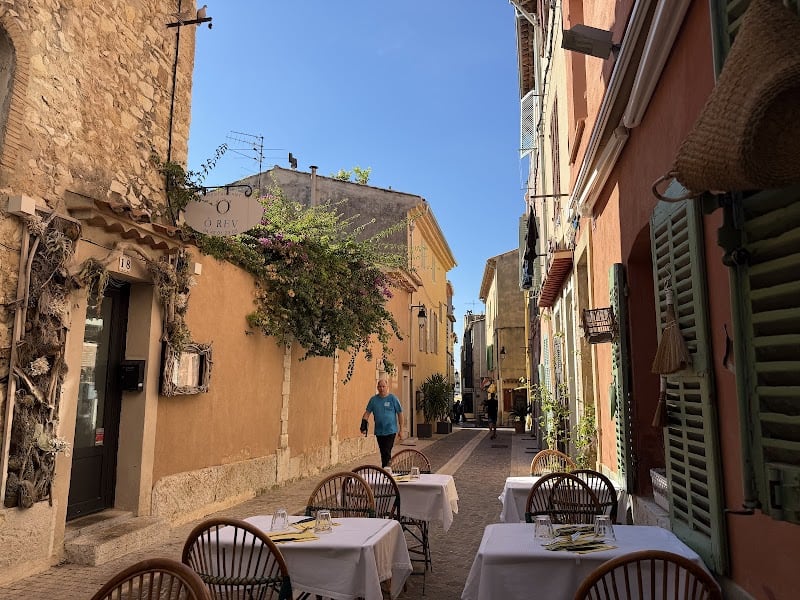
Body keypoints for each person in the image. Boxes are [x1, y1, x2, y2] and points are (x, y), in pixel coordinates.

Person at [361, 378, 403, 468]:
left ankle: (386, 471)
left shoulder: (393, 398)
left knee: (387, 451)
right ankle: (387, 470)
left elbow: (400, 413)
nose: (381, 388)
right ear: (377, 388)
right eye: (380, 386)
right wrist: (363, 425)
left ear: (387, 387)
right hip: (379, 431)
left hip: (391, 431)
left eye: (383, 386)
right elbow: (367, 413)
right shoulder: (373, 400)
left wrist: (401, 430)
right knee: (383, 452)